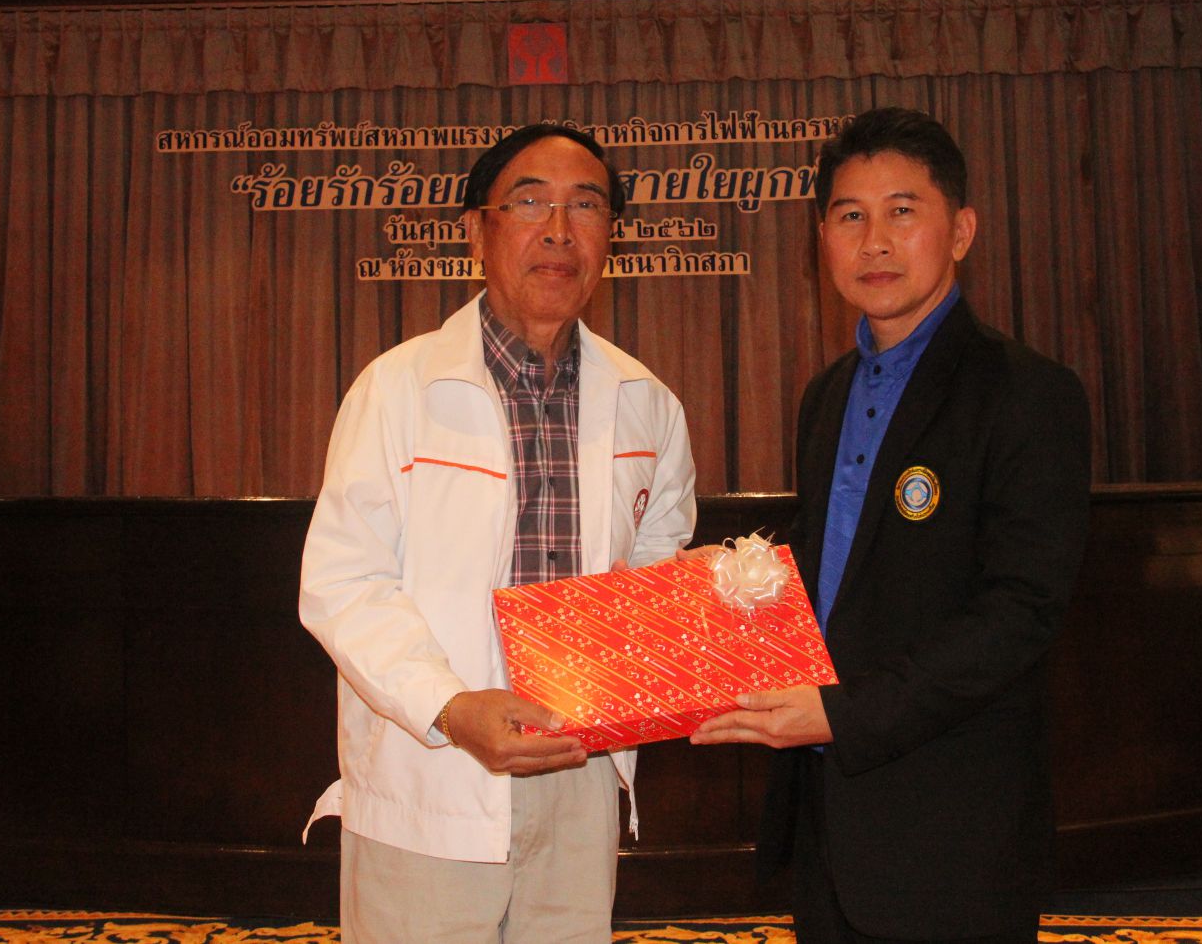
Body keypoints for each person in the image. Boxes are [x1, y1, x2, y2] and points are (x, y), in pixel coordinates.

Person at [692, 107, 1091, 943]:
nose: (874, 241)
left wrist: (845, 715)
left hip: (953, 829)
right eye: (849, 216)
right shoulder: (826, 395)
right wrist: (705, 608)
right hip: (828, 825)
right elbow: (827, 567)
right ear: (822, 239)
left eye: (902, 211)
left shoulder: (1027, 393)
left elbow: (1019, 612)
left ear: (961, 230)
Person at [298, 123, 696, 943]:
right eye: (530, 203)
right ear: (478, 231)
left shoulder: (649, 404)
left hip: (580, 774)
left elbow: (658, 571)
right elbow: (342, 583)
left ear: (611, 238)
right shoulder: (395, 389)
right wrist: (449, 707)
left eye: (586, 206)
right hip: (435, 767)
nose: (559, 230)